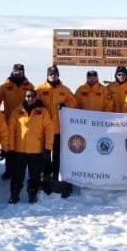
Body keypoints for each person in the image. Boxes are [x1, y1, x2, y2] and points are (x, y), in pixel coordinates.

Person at [35, 65, 77, 194]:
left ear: (58, 75)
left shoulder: (64, 90)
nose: (53, 76)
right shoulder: (40, 89)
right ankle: (44, 176)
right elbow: (31, 102)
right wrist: (38, 104)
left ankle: (55, 176)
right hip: (44, 130)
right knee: (45, 155)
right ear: (47, 75)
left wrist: (66, 105)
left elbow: (74, 103)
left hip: (59, 129)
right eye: (51, 74)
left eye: (55, 74)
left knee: (57, 155)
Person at [6, 89, 53, 204]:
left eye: (32, 96)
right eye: (28, 96)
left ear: (36, 97)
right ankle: (14, 195)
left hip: (36, 150)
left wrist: (48, 148)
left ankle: (32, 194)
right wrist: (10, 149)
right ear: (25, 97)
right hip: (19, 149)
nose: (30, 98)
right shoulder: (17, 111)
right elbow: (11, 130)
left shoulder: (42, 112)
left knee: (34, 176)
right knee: (17, 175)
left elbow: (49, 130)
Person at [0, 63, 36, 180]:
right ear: (13, 72)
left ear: (24, 72)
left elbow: (36, 101)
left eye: (20, 72)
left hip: (25, 122)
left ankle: (19, 170)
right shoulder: (5, 85)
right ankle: (9, 170)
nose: (18, 74)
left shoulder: (29, 86)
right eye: (16, 72)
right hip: (8, 121)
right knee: (9, 146)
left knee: (20, 147)